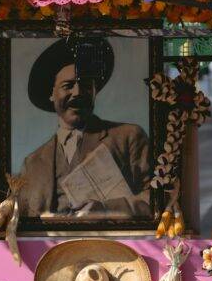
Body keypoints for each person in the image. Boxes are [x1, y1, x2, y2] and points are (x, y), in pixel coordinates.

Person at [18, 38, 152, 218]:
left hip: (112, 245)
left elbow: (155, 198)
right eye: (68, 85)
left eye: (87, 85)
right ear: (51, 94)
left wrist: (106, 210)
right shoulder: (32, 164)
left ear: (95, 91)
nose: (78, 92)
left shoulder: (128, 138)